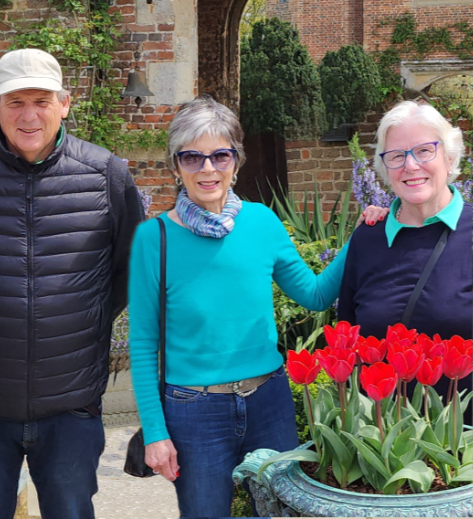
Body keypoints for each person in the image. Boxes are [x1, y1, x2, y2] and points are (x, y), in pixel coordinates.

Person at [128, 96, 387, 518]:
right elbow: (141, 345)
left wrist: (359, 237)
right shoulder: (152, 239)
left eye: (220, 155)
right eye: (192, 157)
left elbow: (316, 294)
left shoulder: (262, 222)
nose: (207, 169)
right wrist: (156, 433)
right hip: (195, 412)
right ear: (176, 166)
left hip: (269, 401)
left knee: (283, 513)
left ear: (236, 160)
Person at [0, 48, 144, 519]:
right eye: (16, 102)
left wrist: (83, 317)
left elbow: (129, 270)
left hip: (70, 404)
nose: (29, 115)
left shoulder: (108, 175)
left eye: (41, 101)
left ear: (64, 103)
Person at [338, 100, 472, 412]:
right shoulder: (368, 239)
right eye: (397, 156)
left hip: (464, 445)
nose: (410, 165)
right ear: (385, 168)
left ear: (449, 155)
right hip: (385, 444)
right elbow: (348, 337)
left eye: (424, 150)